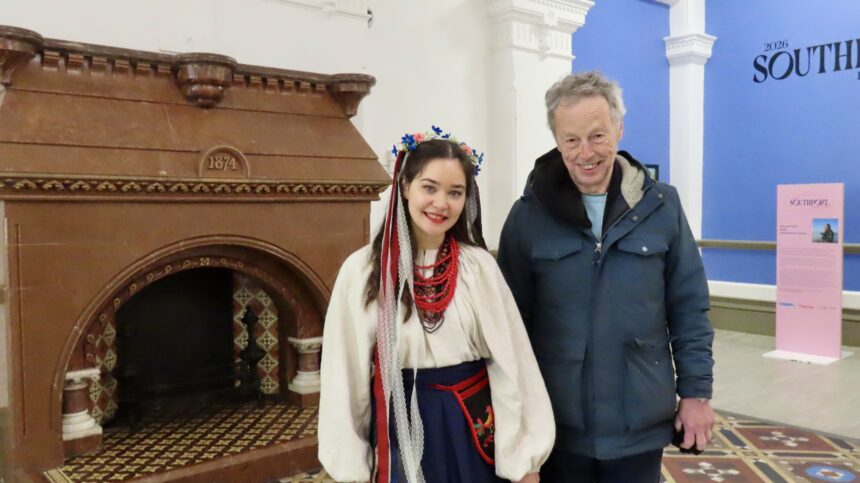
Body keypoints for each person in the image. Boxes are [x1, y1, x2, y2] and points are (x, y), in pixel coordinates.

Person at [497, 71, 715, 482]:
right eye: (571, 139)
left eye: (597, 136)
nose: (585, 153)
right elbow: (508, 328)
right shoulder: (527, 216)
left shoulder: (662, 206)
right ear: (556, 139)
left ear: (619, 128)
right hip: (557, 425)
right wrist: (514, 420)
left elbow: (689, 308)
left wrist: (696, 392)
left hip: (639, 422)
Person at [318, 127, 555, 483]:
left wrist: (524, 461)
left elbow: (512, 364)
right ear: (404, 187)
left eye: (455, 192)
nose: (441, 203)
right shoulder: (364, 271)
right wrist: (352, 469)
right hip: (398, 431)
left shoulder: (478, 268)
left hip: (471, 427)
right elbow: (344, 379)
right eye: (429, 187)